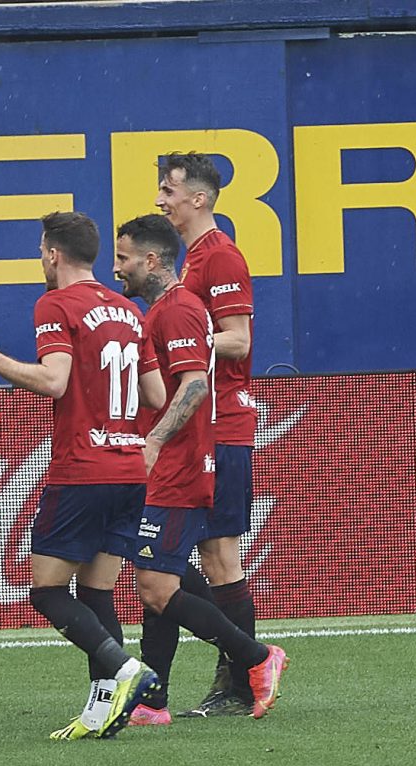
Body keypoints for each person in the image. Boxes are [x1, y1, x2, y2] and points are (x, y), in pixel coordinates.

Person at [0, 211, 164, 739]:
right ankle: (102, 712)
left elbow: (54, 381)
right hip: (129, 469)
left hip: (83, 470)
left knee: (46, 591)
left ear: (53, 253)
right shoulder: (128, 309)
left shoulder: (55, 304)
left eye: (41, 251)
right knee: (97, 593)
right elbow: (157, 396)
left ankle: (126, 669)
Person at [112, 214, 287, 722]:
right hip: (166, 461)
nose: (117, 268)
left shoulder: (181, 309)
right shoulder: (162, 310)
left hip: (179, 465)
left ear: (150, 260)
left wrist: (153, 442)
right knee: (157, 576)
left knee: (157, 581)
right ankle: (154, 698)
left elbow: (194, 385)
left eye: (124, 258)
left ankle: (256, 659)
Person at [134, 152, 261, 721]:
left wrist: (189, 342)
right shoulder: (191, 260)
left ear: (199, 199)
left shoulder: (221, 255)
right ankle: (180, 686)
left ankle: (243, 679)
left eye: (169, 190)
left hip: (224, 423)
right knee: (184, 559)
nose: (161, 200)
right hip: (202, 426)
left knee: (220, 556)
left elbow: (238, 339)